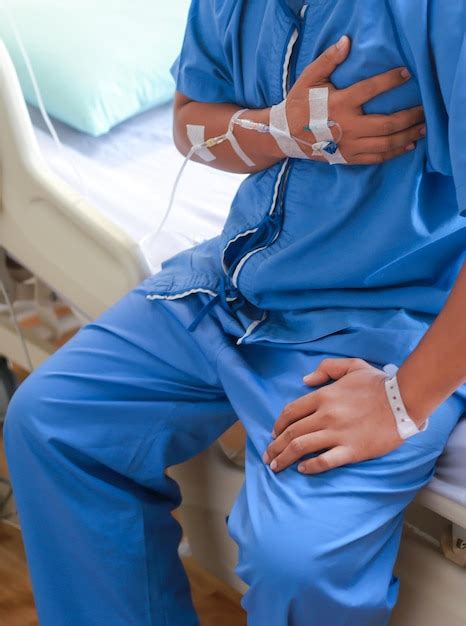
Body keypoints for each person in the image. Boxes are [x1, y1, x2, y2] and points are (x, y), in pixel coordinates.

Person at [4, 1, 466, 625]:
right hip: (234, 283)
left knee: (299, 562)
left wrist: (402, 400)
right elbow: (189, 123)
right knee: (51, 423)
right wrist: (283, 129)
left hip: (382, 322)